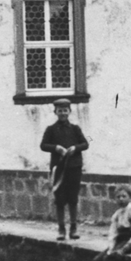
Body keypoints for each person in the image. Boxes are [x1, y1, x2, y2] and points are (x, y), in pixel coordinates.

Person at [39, 98, 88, 240]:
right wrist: (56, 148)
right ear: (55, 112)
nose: (62, 113)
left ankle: (73, 229)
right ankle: (61, 230)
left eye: (65, 110)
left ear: (69, 111)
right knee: (59, 200)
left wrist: (75, 148)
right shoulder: (51, 129)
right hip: (58, 170)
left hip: (74, 168)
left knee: (73, 199)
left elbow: (86, 143)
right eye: (59, 111)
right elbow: (43, 145)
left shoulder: (75, 129)